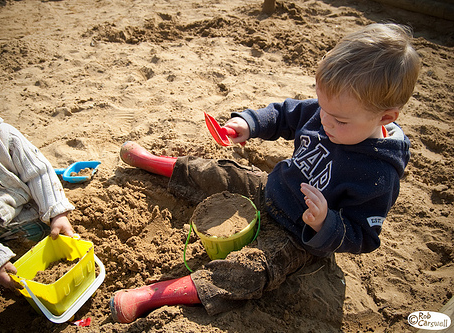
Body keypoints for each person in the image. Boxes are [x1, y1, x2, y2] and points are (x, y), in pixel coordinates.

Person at [110, 23, 421, 323]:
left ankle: (151, 295)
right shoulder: (331, 109)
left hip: (299, 236)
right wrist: (248, 124)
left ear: (386, 116)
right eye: (322, 107)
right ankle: (152, 161)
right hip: (272, 188)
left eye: (338, 120)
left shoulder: (379, 173)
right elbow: (285, 114)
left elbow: (364, 236)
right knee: (221, 172)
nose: (324, 121)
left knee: (250, 271)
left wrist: (327, 223)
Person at [0, 55, 75, 332]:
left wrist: (57, 211)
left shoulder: (1, 135)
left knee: (51, 241)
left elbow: (39, 171)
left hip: (30, 222)